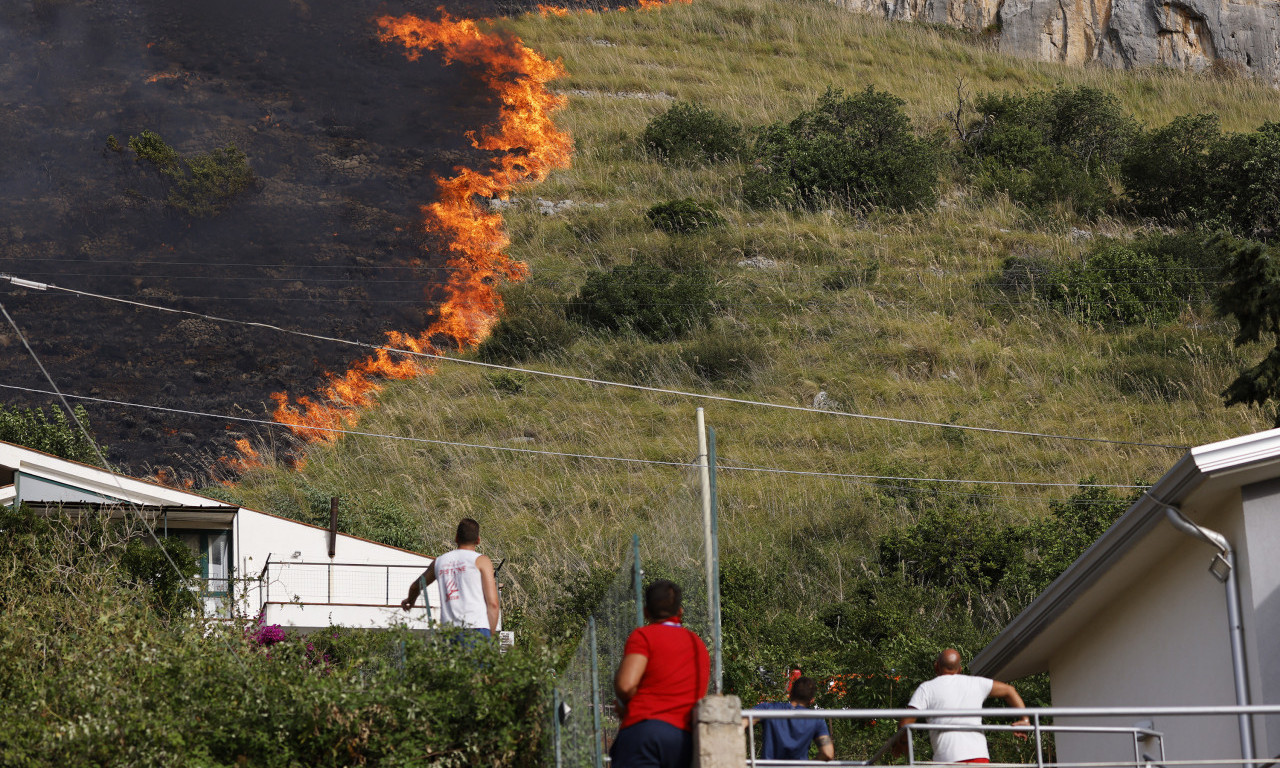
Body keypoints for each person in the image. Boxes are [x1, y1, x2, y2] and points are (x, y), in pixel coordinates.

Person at [611, 580, 710, 768]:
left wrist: (630, 707)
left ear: (646, 612)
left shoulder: (643, 636)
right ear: (680, 611)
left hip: (643, 734)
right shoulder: (698, 644)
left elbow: (625, 685)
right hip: (682, 739)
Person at [894, 648, 1030, 764]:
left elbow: (905, 724)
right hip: (979, 758)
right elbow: (1009, 691)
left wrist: (903, 744)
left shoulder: (926, 688)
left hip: (948, 760)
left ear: (936, 666)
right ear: (960, 669)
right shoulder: (976, 683)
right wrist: (1025, 720)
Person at [400, 518, 500, 637]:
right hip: (477, 628)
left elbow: (415, 586)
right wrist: (490, 636)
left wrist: (410, 601)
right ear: (478, 540)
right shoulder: (482, 561)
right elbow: (493, 604)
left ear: (456, 538)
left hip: (449, 631)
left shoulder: (439, 562)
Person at [753, 676, 835, 762]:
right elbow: (828, 753)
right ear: (811, 700)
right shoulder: (816, 719)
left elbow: (742, 723)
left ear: (791, 693)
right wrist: (809, 764)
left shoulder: (767, 709)